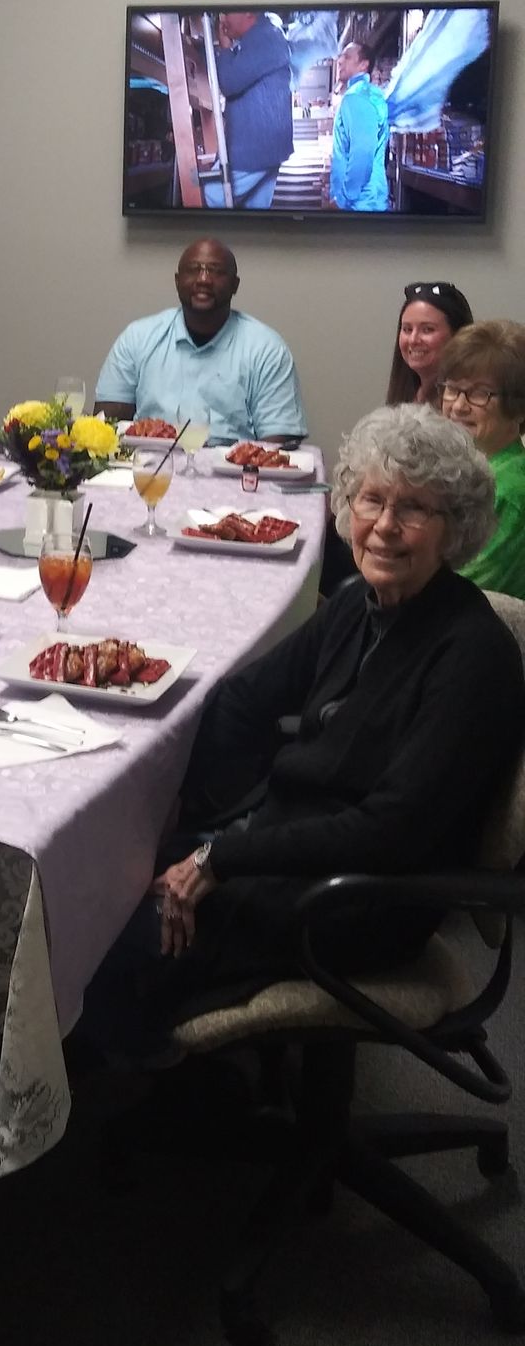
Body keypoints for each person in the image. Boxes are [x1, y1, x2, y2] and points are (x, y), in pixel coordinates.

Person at [82, 405, 523, 1057]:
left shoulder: (470, 656)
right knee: (105, 871)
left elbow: (389, 831)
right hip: (286, 843)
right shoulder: (358, 604)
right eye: (372, 499)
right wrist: (187, 811)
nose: (384, 527)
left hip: (358, 900)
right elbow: (241, 702)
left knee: (99, 939)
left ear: (454, 528)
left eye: (415, 509)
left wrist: (217, 857)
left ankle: (111, 1110)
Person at [94, 239, 306, 446]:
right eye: (194, 270)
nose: (203, 279)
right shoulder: (137, 338)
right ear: (177, 282)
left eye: (216, 271)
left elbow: (278, 445)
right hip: (148, 473)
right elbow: (107, 425)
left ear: (235, 285)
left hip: (233, 476)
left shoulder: (267, 348)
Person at [439, 320, 525, 600]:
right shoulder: (467, 467)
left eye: (479, 394)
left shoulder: (510, 491)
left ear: (518, 408)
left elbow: (462, 592)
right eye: (452, 389)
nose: (459, 406)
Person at [202, 12, 293, 212]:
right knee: (254, 214)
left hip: (255, 149)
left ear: (248, 13)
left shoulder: (264, 37)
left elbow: (230, 81)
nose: (222, 20)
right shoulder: (262, 36)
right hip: (264, 149)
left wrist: (224, 47)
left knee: (209, 195)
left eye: (227, 13)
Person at [386, 281, 473, 407]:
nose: (413, 339)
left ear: (458, 335)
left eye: (427, 329)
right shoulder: (406, 394)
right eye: (407, 329)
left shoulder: (465, 405)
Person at [329, 40, 390, 212]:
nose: (340, 61)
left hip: (359, 207)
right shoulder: (370, 94)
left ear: (364, 65)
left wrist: (341, 200)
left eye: (347, 57)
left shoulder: (357, 97)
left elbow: (362, 155)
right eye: (341, 57)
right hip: (368, 204)